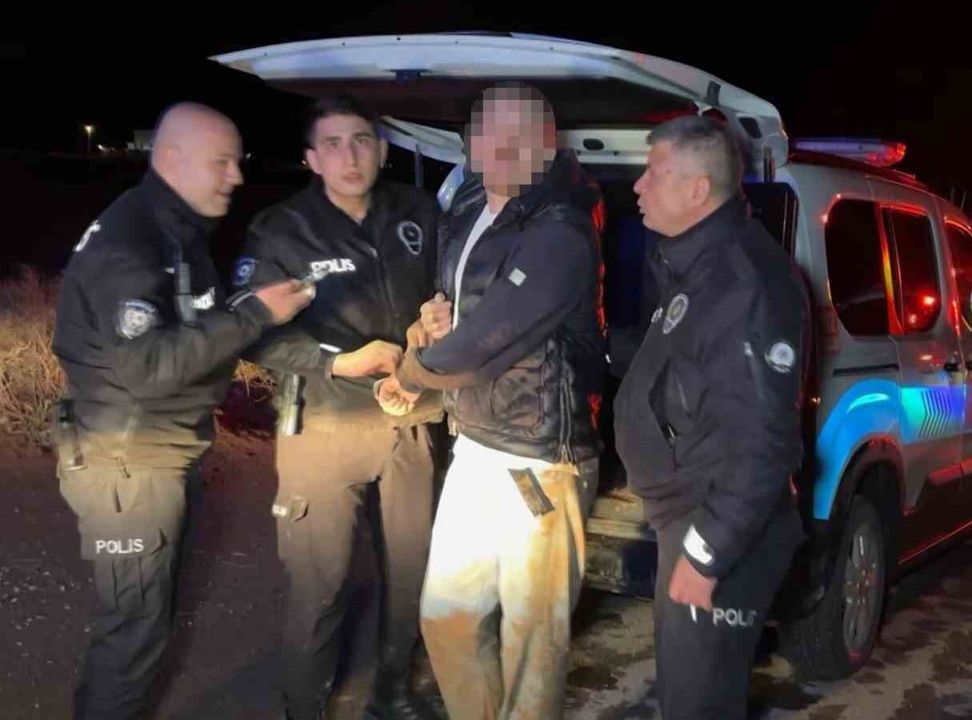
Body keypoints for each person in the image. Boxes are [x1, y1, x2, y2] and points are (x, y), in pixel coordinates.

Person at [51, 102, 313, 720]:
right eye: (221, 162)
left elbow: (192, 330)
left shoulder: (174, 232)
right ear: (171, 158)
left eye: (238, 161)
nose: (237, 176)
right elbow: (146, 367)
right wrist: (256, 313)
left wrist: (255, 310)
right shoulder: (132, 242)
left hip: (154, 455)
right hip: (129, 463)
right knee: (134, 633)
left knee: (145, 622)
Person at [377, 82, 605, 720]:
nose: (503, 149)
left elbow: (490, 337)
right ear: (471, 143)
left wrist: (410, 375)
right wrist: (433, 320)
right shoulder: (473, 204)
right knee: (445, 617)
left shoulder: (561, 227)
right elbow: (464, 312)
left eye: (520, 136)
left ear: (546, 144)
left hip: (540, 457)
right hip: (476, 440)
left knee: (531, 643)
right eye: (489, 134)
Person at [232, 95, 443, 720]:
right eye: (333, 144)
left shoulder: (419, 211)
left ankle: (392, 691)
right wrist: (338, 361)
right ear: (311, 159)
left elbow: (449, 290)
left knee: (411, 573)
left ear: (382, 148)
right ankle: (304, 705)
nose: (350, 156)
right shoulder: (282, 229)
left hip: (410, 420)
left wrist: (438, 320)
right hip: (323, 425)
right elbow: (253, 331)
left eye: (361, 140)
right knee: (318, 584)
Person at [612, 115, 808, 719]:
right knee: (687, 694)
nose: (639, 186)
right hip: (690, 509)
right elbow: (683, 367)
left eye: (654, 173)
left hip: (719, 522)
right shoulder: (698, 265)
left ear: (697, 189)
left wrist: (705, 553)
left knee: (699, 705)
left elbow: (764, 441)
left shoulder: (743, 280)